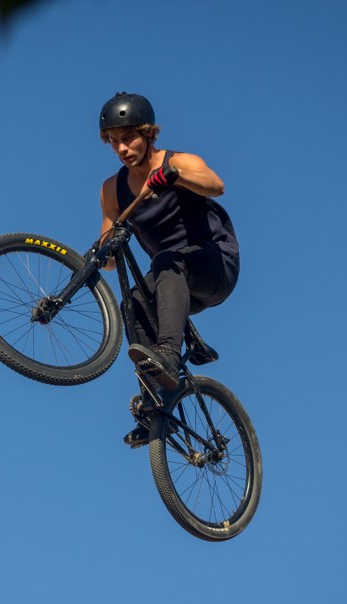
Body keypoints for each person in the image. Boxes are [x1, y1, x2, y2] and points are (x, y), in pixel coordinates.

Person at [97, 92, 240, 445]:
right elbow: (110, 257)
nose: (122, 148)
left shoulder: (179, 161)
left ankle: (168, 355)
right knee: (130, 303)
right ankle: (156, 406)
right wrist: (104, 250)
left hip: (214, 265)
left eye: (128, 138)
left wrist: (174, 177)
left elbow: (216, 186)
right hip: (172, 284)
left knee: (166, 260)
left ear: (148, 134)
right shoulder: (112, 191)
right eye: (114, 142)